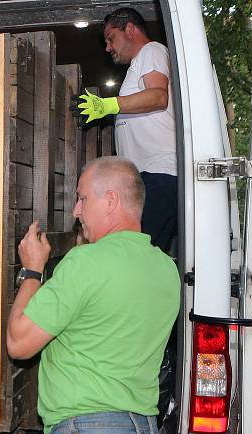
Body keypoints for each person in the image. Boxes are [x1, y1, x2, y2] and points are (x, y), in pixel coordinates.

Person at [6, 157, 179, 434]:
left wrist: (33, 270)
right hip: (145, 430)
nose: (76, 211)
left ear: (110, 200)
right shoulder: (166, 269)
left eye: (82, 198)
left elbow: (19, 343)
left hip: (90, 430)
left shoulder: (85, 263)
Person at [76, 7, 177, 253]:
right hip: (149, 177)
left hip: (159, 174)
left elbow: (158, 96)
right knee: (139, 256)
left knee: (134, 256)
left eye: (111, 38)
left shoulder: (151, 51)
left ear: (130, 29)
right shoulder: (137, 67)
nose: (108, 47)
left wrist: (108, 105)